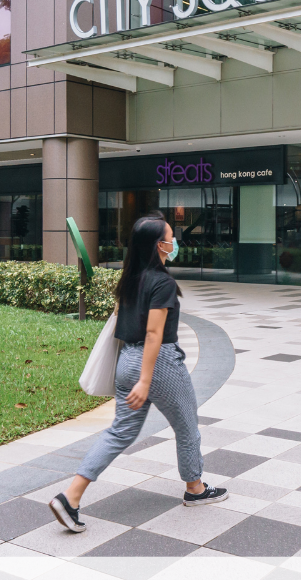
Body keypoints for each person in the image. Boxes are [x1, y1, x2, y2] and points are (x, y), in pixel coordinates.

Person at [50, 216, 227, 533]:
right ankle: (196, 489)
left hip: (126, 361)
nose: (175, 242)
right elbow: (154, 334)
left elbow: (124, 322)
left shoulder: (128, 279)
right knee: (187, 424)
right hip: (157, 363)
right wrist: (146, 380)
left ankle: (70, 497)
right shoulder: (162, 283)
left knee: (119, 432)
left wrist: (139, 376)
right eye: (171, 237)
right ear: (160, 245)